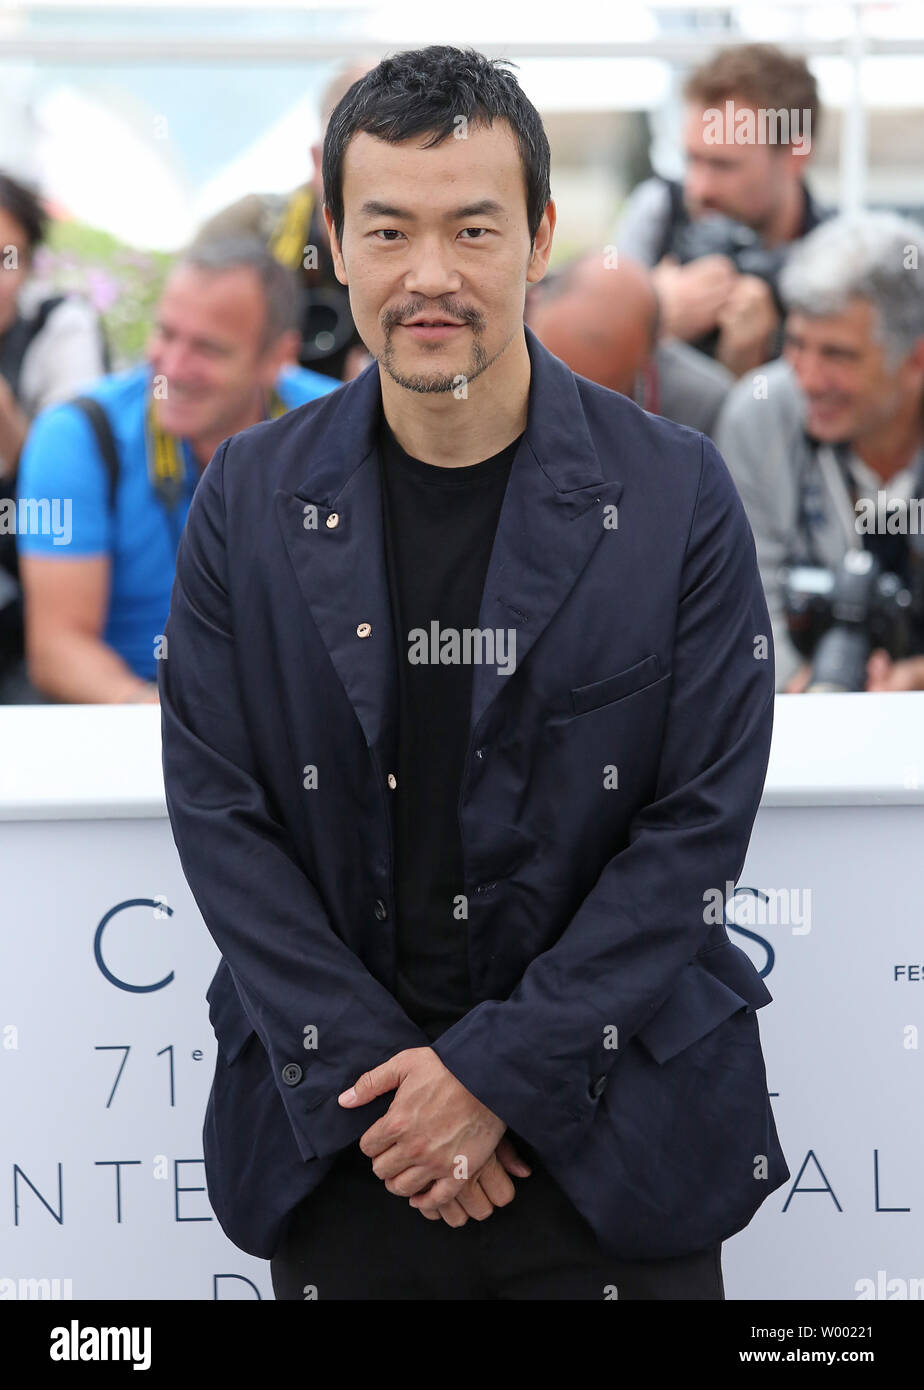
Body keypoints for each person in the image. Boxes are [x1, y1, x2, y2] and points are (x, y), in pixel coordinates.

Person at [159, 44, 788, 1301]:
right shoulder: (250, 497)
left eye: (474, 229)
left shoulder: (674, 494)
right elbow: (223, 814)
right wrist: (408, 1095)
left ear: (542, 236)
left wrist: (496, 1075)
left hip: (615, 1154)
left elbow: (695, 828)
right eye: (388, 230)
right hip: (354, 1139)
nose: (429, 276)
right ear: (335, 243)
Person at [9, 238, 337, 704]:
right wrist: (183, 736)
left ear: (276, 359)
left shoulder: (339, 424)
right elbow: (59, 650)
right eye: (165, 333)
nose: (173, 367)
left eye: (208, 348)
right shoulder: (76, 435)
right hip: (137, 711)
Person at [715, 211, 924, 693]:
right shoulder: (760, 413)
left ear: (915, 359)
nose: (806, 379)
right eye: (795, 344)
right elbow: (745, 599)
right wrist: (806, 692)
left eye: (837, 355)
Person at [616, 43, 827, 377]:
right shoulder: (656, 211)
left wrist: (754, 369)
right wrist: (647, 320)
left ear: (794, 155)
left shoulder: (837, 260)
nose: (698, 189)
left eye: (723, 166)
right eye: (692, 159)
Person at [192, 59, 378, 383]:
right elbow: (185, 345)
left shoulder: (424, 252)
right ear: (318, 161)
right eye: (360, 158)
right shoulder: (248, 229)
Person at [0, 171, 109, 689]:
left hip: (38, 564)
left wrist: (5, 421)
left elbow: (68, 493)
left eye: (8, 258)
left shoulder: (61, 326)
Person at [526, 253, 734, 439]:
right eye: (549, 376)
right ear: (533, 302)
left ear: (649, 356)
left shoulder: (699, 411)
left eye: (595, 398)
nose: (568, 408)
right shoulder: (499, 343)